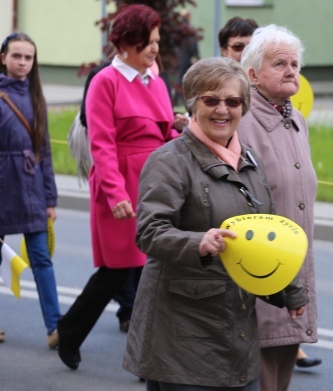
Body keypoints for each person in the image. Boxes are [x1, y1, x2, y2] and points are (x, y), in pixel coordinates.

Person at [123, 56, 309, 389]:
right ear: (192, 105)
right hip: (182, 336)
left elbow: (266, 235)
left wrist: (291, 291)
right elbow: (149, 232)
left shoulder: (250, 162)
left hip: (236, 329)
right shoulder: (169, 161)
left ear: (244, 106)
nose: (223, 110)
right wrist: (198, 243)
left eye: (233, 101)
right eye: (211, 100)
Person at [57, 4, 187, 370]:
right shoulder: (105, 81)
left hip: (155, 184)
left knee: (152, 269)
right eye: (150, 41)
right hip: (121, 184)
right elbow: (101, 144)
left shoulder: (156, 80)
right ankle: (70, 329)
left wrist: (176, 125)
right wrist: (115, 194)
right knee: (118, 269)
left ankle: (150, 357)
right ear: (128, 41)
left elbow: (161, 132)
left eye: (157, 42)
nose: (155, 49)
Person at [238, 24, 319, 390]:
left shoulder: (296, 119)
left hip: (296, 266)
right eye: (279, 64)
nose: (291, 71)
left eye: (295, 64)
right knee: (261, 365)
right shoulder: (239, 122)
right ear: (252, 74)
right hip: (259, 267)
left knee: (285, 356)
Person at [0, 32, 61, 349]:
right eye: (17, 56)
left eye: (28, 57)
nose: (23, 62)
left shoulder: (36, 95)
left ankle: (56, 327)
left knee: (41, 258)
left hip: (31, 187)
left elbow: (45, 152)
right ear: (4, 58)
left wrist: (50, 198)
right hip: (2, 184)